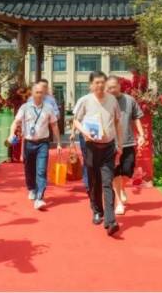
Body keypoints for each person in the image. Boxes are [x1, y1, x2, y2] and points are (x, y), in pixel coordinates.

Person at [73, 71, 123, 236]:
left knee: (107, 182)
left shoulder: (112, 100)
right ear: (91, 85)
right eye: (97, 83)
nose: (100, 85)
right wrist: (84, 132)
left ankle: (110, 221)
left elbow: (117, 122)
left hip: (108, 147)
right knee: (94, 182)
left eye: (102, 82)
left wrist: (120, 143)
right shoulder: (85, 101)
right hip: (91, 147)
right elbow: (76, 120)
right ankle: (97, 210)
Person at [9, 81, 61, 210]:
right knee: (29, 169)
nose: (39, 95)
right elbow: (16, 122)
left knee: (41, 170)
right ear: (32, 93)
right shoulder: (25, 107)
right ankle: (31, 188)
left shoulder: (48, 108)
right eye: (37, 92)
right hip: (29, 143)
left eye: (41, 92)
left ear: (44, 94)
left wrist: (59, 142)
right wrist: (11, 134)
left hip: (43, 143)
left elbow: (54, 125)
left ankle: (39, 198)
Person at [106, 75, 146, 215]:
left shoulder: (129, 100)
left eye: (113, 87)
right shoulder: (105, 102)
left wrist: (141, 134)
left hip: (128, 141)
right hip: (111, 143)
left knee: (128, 171)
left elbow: (137, 118)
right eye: (109, 88)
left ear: (119, 86)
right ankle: (119, 203)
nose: (111, 90)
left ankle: (122, 187)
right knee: (116, 172)